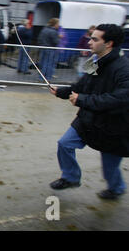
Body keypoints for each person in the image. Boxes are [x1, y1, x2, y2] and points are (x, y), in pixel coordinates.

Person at [49, 24, 129, 200]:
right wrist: (62, 92)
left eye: (95, 39)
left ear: (109, 43)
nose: (89, 42)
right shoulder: (93, 61)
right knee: (65, 144)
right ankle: (70, 178)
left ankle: (116, 188)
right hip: (88, 118)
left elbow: (121, 99)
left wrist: (83, 100)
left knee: (109, 167)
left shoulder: (124, 68)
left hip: (114, 126)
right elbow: (81, 86)